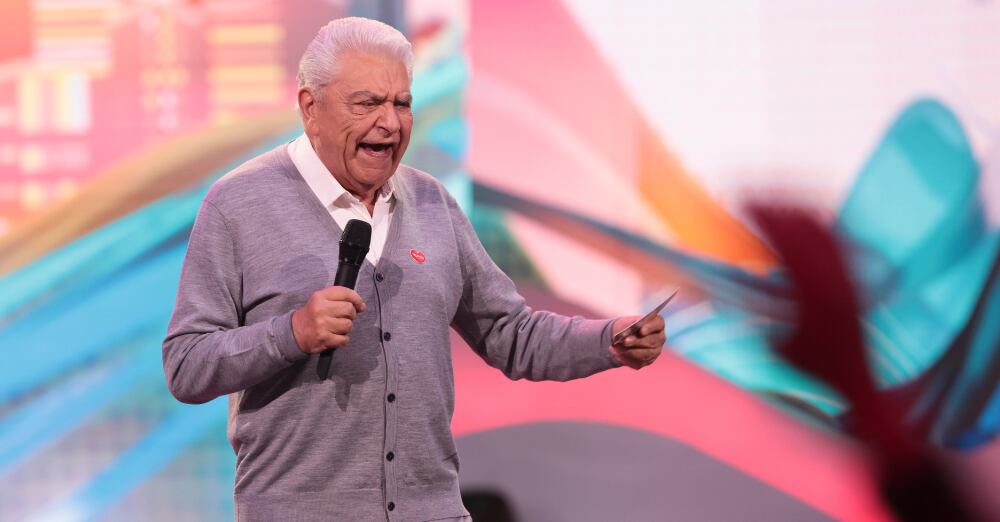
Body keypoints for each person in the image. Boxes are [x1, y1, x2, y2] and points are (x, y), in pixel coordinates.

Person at [162, 17, 666, 522]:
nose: (390, 122)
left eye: (401, 103)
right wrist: (291, 333)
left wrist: (610, 340)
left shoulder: (431, 202)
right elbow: (186, 366)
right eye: (367, 103)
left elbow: (510, 333)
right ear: (311, 107)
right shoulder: (239, 204)